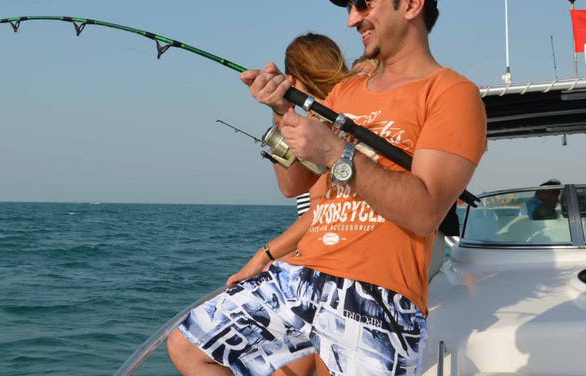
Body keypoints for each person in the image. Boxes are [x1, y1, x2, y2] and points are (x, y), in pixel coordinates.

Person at [169, 1, 487, 375]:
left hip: (378, 297)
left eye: (363, 4)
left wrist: (337, 150)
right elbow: (295, 184)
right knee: (189, 345)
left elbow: (425, 212)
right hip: (301, 277)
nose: (352, 19)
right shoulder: (345, 93)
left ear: (412, 5)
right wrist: (280, 111)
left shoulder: (451, 94)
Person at [224, 32, 349, 376]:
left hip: (334, 261)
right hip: (320, 254)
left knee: (287, 364)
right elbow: (296, 189)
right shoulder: (335, 116)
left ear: (292, 79)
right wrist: (281, 113)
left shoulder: (334, 125)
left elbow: (309, 200)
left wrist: (268, 255)